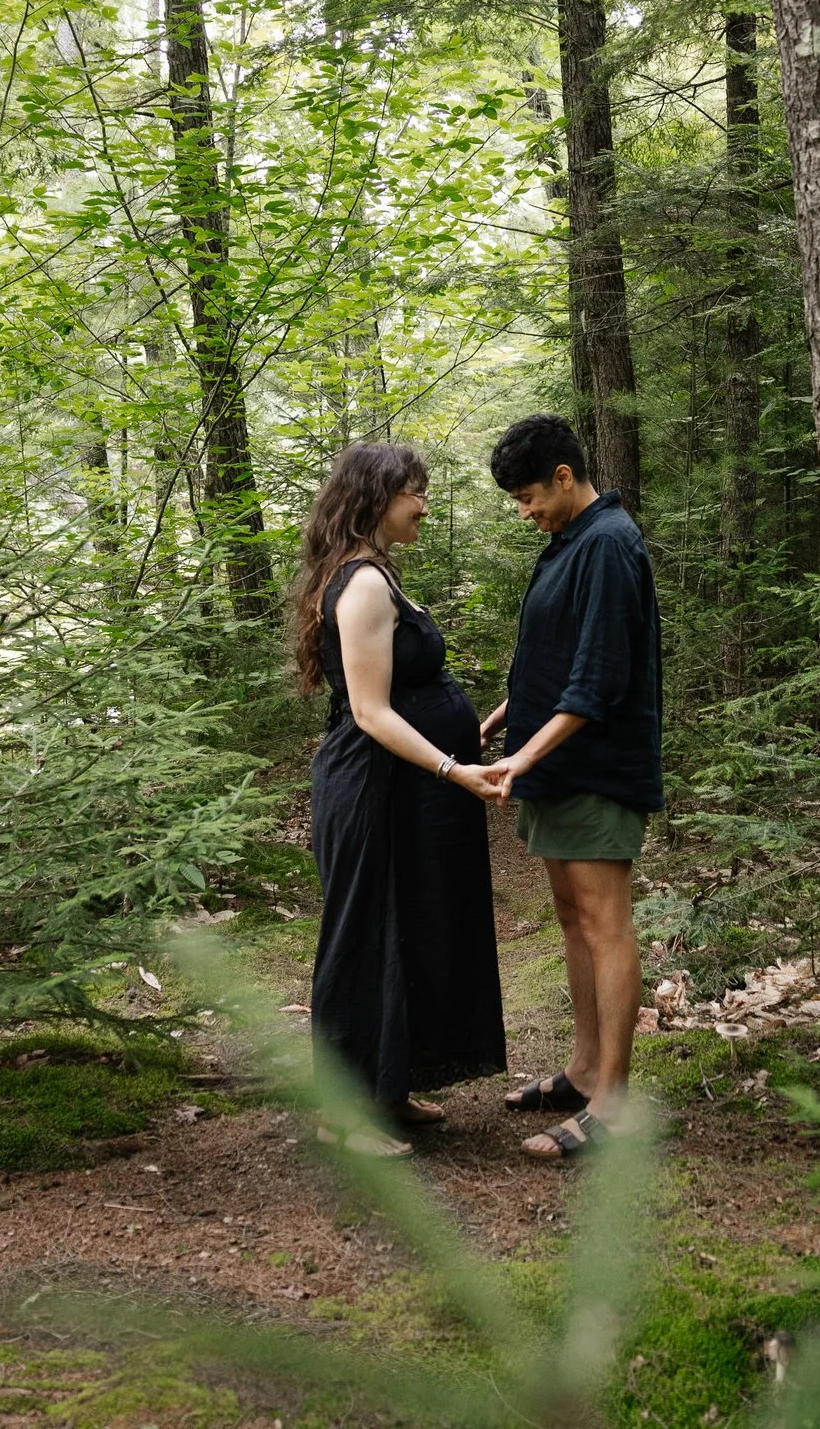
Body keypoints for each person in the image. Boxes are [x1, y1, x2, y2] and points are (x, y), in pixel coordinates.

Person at [294, 443, 509, 1157]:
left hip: (404, 786)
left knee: (408, 924)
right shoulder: (360, 586)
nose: (423, 503)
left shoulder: (380, 573)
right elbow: (371, 712)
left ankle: (388, 1085)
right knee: (360, 934)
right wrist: (455, 767)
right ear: (374, 497)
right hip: (369, 785)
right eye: (413, 492)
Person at [479, 415, 663, 1160]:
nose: (526, 513)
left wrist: (522, 756)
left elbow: (599, 679)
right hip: (554, 761)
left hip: (596, 767)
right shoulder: (569, 543)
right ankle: (584, 1069)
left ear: (564, 476)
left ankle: (614, 1101)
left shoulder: (611, 545)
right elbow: (554, 655)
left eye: (528, 497)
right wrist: (506, 716)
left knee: (604, 920)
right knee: (570, 916)